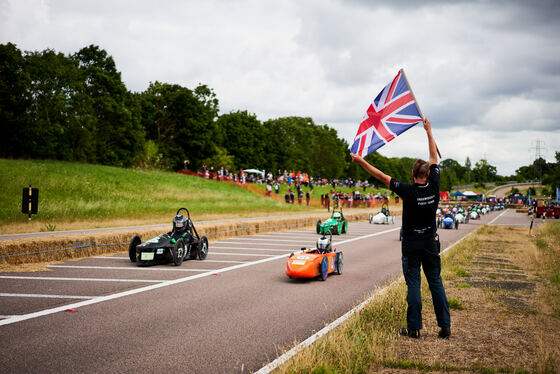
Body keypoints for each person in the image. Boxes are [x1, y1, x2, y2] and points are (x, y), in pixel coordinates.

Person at [350, 118, 451, 339]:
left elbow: (380, 175)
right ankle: (445, 326)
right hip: (430, 242)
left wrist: (360, 161)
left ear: (413, 176)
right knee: (435, 281)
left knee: (414, 284)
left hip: (412, 244)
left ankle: (414, 328)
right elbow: (434, 157)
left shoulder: (407, 190)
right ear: (428, 174)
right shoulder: (435, 185)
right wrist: (429, 131)